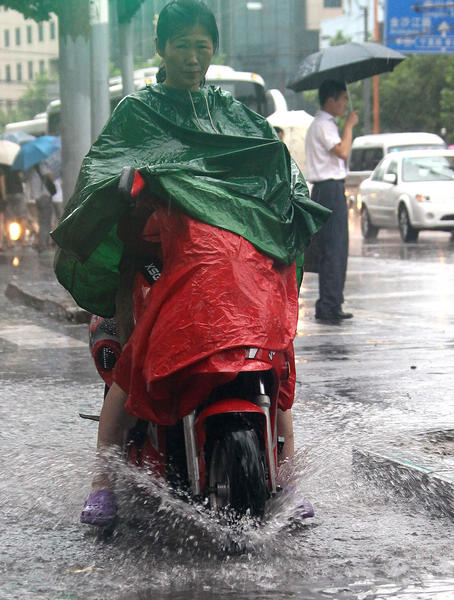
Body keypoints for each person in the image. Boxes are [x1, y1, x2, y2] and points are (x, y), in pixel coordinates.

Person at [50, 1, 327, 527]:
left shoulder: (231, 114)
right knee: (134, 360)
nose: (193, 56)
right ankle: (102, 482)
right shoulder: (138, 112)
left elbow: (270, 161)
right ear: (162, 49)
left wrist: (290, 196)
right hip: (152, 259)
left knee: (272, 353)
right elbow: (104, 167)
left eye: (202, 45)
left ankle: (286, 475)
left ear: (213, 49)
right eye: (182, 45)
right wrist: (127, 183)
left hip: (224, 263)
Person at [305, 79, 358, 323]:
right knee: (333, 249)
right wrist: (349, 127)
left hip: (330, 189)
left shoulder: (325, 124)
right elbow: (343, 152)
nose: (346, 104)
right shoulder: (324, 124)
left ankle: (332, 302)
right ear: (330, 100)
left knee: (335, 249)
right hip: (328, 190)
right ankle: (328, 304)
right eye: (343, 99)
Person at [25, 160, 55, 252]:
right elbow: (50, 176)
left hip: (36, 197)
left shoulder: (29, 168)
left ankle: (41, 243)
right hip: (44, 195)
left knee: (41, 220)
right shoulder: (41, 165)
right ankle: (43, 244)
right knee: (45, 222)